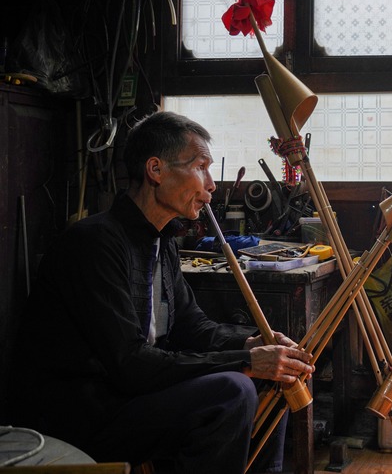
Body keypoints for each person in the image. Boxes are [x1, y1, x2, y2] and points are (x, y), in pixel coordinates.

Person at [9, 110, 315, 473]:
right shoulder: (94, 243)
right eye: (201, 166)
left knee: (271, 381)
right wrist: (247, 362)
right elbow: (130, 365)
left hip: (133, 397)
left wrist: (253, 345)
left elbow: (193, 327)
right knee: (233, 392)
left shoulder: (162, 240)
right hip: (87, 411)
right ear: (155, 170)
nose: (211, 184)